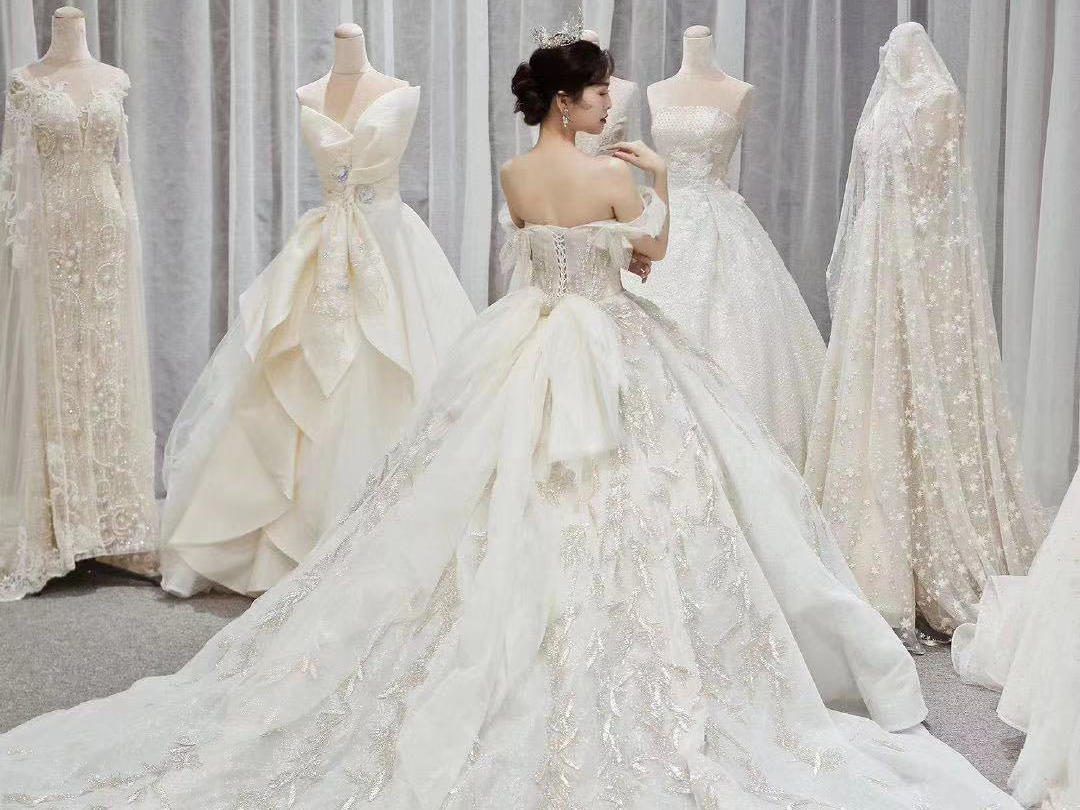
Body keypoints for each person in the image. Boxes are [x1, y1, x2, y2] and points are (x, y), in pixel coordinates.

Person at [0, 29, 1017, 810]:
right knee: (654, 500)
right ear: (569, 101)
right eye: (600, 91)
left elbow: (531, 252)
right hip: (612, 344)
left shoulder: (515, 175)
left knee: (490, 496)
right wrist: (657, 180)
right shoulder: (614, 174)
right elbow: (651, 256)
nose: (611, 102)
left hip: (527, 343)